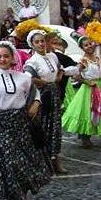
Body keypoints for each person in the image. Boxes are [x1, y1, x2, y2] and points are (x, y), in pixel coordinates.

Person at [0, 41, 53, 200]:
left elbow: (35, 93)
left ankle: (21, 197)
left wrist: (36, 104)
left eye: (6, 56)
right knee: (8, 162)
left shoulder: (24, 78)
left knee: (25, 161)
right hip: (0, 125)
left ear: (13, 57)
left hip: (21, 124)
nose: (2, 59)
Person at [24, 29, 66, 173]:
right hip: (42, 96)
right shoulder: (32, 61)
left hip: (54, 93)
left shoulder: (52, 56)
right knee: (44, 125)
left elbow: (60, 69)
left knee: (55, 126)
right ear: (32, 44)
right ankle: (43, 161)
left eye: (42, 41)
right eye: (37, 42)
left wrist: (58, 77)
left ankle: (56, 158)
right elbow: (27, 78)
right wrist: (41, 82)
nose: (41, 44)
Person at [62, 34, 101, 148]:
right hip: (88, 89)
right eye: (86, 45)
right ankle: (84, 136)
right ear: (82, 48)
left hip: (98, 87)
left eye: (90, 44)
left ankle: (87, 134)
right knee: (87, 111)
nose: (89, 46)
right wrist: (87, 82)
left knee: (96, 111)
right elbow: (76, 75)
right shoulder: (84, 61)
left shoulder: (97, 59)